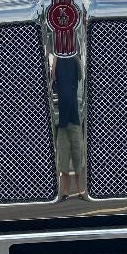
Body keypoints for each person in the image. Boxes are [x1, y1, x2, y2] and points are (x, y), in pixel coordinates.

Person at [51, 54, 83, 199]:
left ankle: (79, 190)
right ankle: (65, 191)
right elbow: (53, 76)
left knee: (77, 159)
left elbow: (81, 74)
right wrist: (56, 60)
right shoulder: (57, 77)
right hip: (64, 123)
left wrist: (74, 57)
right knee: (64, 161)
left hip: (73, 121)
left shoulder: (74, 62)